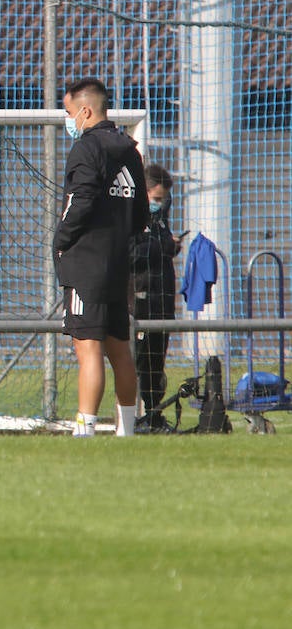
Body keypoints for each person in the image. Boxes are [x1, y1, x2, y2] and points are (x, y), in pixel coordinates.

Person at [54, 78, 148, 437]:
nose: (68, 120)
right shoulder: (129, 149)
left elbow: (81, 201)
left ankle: (86, 428)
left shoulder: (87, 148)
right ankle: (126, 431)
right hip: (118, 265)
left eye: (67, 112)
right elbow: (141, 214)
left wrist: (61, 241)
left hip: (87, 264)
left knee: (88, 347)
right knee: (119, 349)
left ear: (85, 111)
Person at [131, 163, 182, 433]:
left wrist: (171, 247)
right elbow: (132, 254)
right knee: (139, 362)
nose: (159, 205)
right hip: (141, 302)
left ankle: (152, 415)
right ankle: (132, 418)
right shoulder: (131, 217)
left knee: (156, 364)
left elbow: (157, 251)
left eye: (163, 200)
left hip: (163, 301)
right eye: (156, 198)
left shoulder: (160, 218)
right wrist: (165, 246)